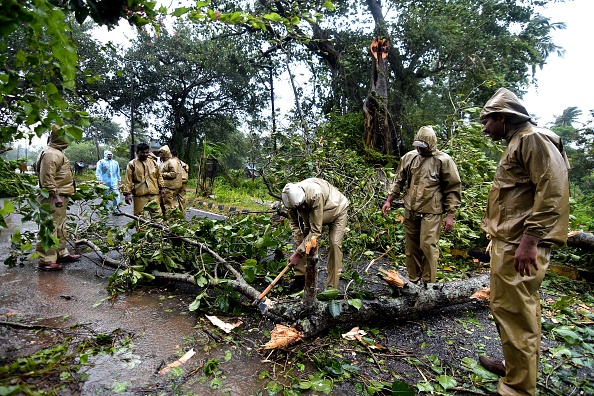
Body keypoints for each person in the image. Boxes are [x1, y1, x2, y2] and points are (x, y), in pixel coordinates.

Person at [478, 88, 570, 396]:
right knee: (508, 309)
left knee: (517, 313)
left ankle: (517, 389)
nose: (484, 127)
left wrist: (530, 240)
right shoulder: (517, 141)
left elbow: (553, 191)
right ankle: (516, 367)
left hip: (522, 244)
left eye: (486, 121)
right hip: (509, 241)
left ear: (502, 118)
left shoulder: (533, 139)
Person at [381, 126, 461, 284]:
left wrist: (450, 214)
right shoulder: (410, 158)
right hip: (411, 208)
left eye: (422, 146)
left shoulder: (443, 161)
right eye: (417, 145)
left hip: (432, 211)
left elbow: (452, 188)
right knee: (411, 248)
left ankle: (428, 285)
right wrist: (390, 199)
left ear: (431, 145)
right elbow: (399, 180)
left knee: (427, 247)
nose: (419, 149)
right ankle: (413, 281)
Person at [282, 178, 349, 291]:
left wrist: (298, 254)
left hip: (337, 209)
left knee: (334, 244)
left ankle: (331, 288)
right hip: (316, 209)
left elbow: (315, 232)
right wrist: (298, 240)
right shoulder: (289, 198)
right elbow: (294, 222)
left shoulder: (315, 195)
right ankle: (300, 279)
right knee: (302, 239)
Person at [34, 125, 81, 271]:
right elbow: (47, 178)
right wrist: (55, 196)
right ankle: (46, 260)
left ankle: (60, 253)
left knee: (60, 226)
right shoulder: (51, 154)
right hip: (52, 197)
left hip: (59, 194)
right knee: (49, 227)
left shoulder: (56, 152)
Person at [123, 143, 166, 218]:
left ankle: (158, 229)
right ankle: (141, 230)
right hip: (139, 195)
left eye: (146, 152)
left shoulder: (153, 163)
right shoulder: (132, 164)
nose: (145, 154)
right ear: (137, 153)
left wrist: (162, 188)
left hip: (154, 193)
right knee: (139, 217)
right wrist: (127, 194)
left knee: (158, 217)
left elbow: (159, 176)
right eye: (142, 153)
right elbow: (128, 180)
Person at [95, 150, 122, 215]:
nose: (110, 155)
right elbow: (98, 171)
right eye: (108, 154)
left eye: (111, 154)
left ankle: (115, 209)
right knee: (106, 196)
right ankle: (106, 210)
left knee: (116, 195)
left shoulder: (115, 163)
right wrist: (100, 180)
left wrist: (119, 180)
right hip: (105, 182)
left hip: (114, 182)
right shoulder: (101, 162)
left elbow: (117, 172)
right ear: (105, 154)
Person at [158, 145, 183, 213]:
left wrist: (161, 174)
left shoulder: (171, 161)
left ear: (166, 153)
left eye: (161, 153)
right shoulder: (164, 162)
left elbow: (173, 174)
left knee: (168, 205)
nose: (160, 154)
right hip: (165, 187)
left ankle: (170, 221)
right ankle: (166, 220)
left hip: (169, 187)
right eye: (159, 153)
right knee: (163, 204)